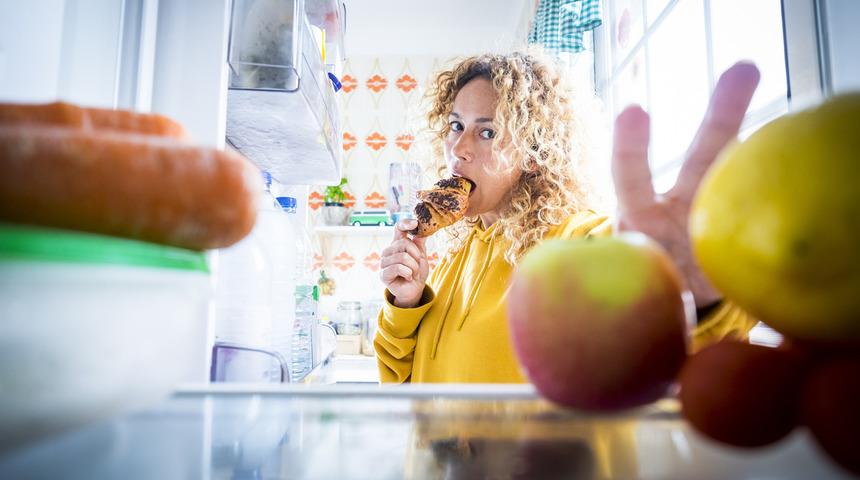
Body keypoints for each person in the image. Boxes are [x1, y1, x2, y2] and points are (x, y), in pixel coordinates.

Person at [374, 50, 760, 384]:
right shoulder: (450, 259)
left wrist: (691, 292)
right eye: (456, 126)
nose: (459, 148)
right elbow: (400, 384)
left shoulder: (579, 240)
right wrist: (406, 302)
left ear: (534, 152)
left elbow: (678, 351)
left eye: (487, 132)